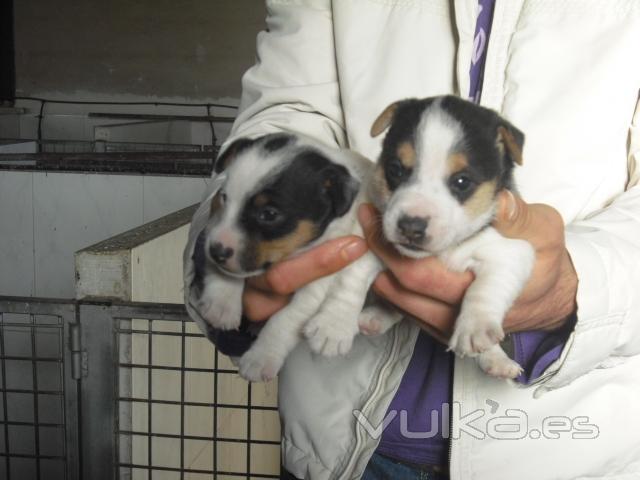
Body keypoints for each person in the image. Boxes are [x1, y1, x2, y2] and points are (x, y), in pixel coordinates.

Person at [184, 1, 640, 479]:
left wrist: (582, 288)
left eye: (460, 184)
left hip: (575, 450)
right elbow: (285, 121)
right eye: (399, 171)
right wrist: (220, 262)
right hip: (344, 448)